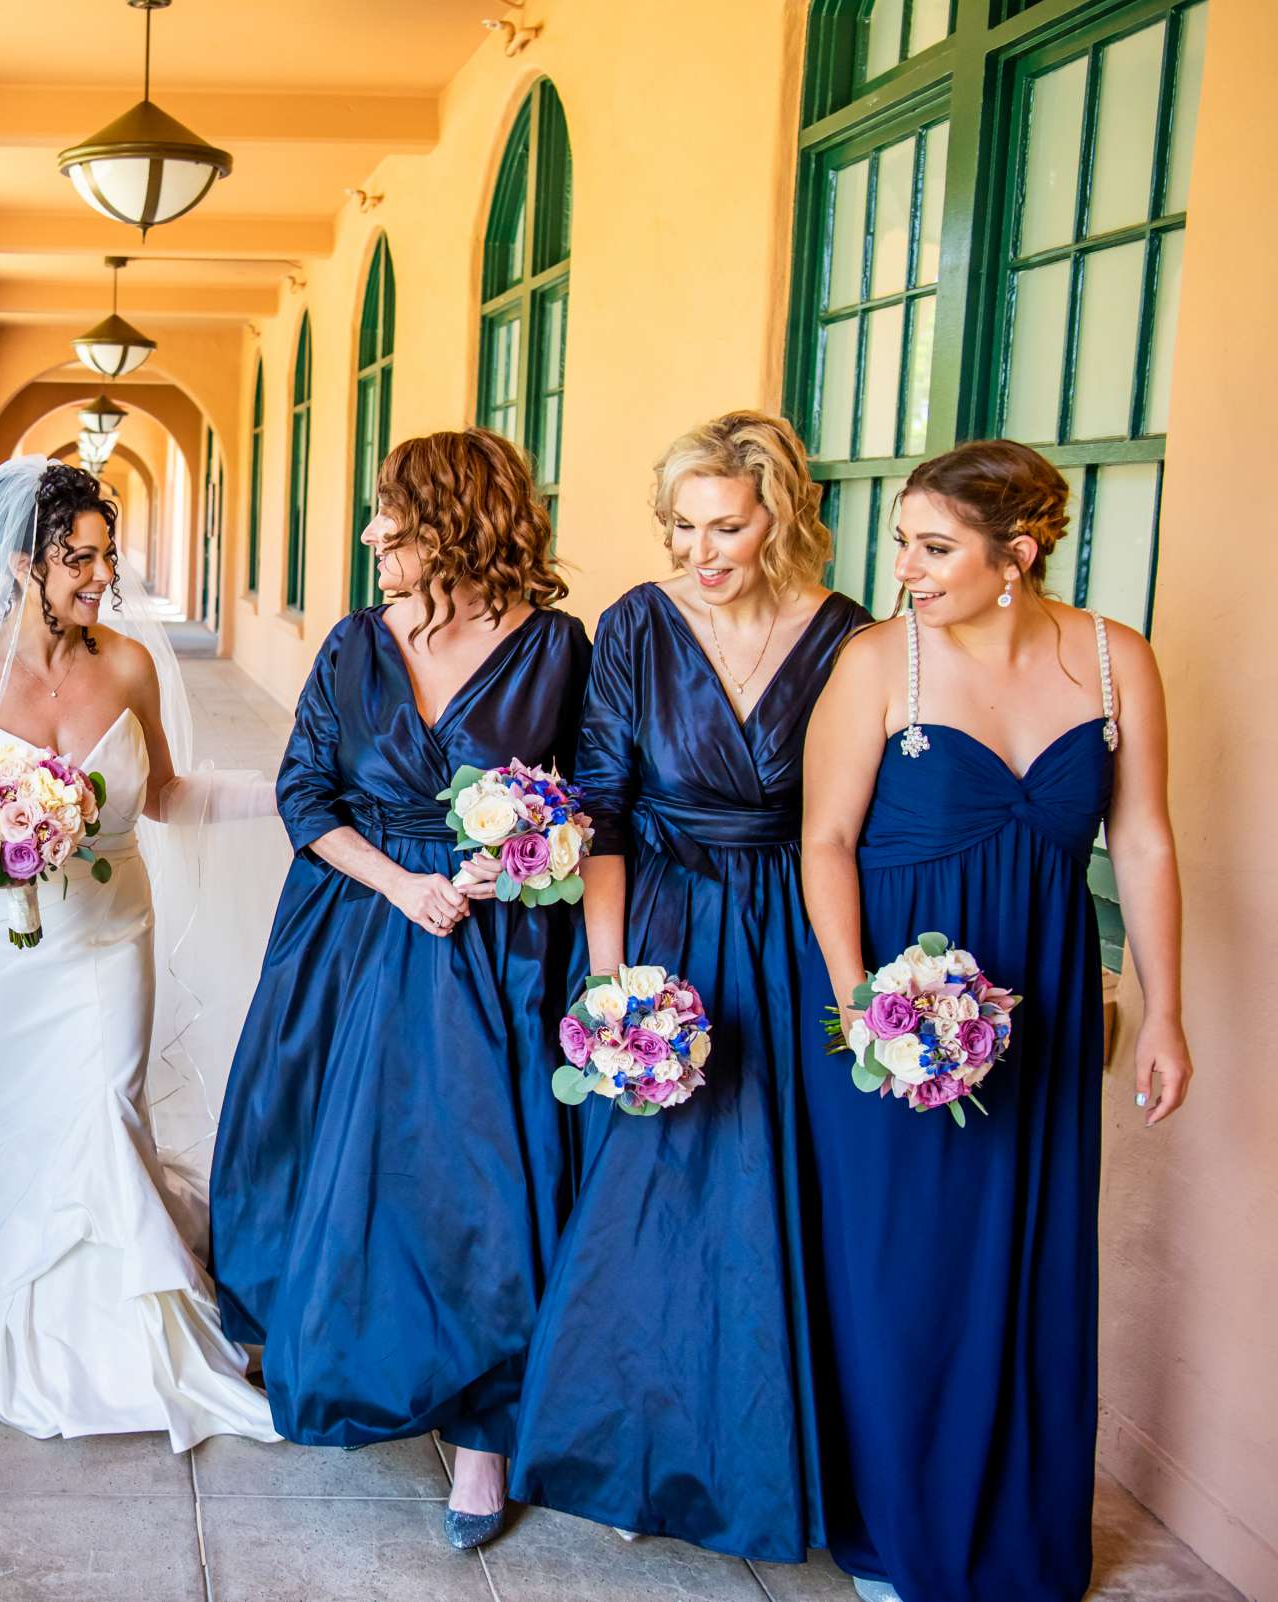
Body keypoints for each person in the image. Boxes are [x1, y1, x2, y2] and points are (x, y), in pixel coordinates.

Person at [799, 439, 1192, 1602]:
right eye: (904, 543)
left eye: (934, 547)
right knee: (903, 1269)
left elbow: (1149, 842)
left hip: (1051, 999)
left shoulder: (1118, 662)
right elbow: (823, 843)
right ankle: (899, 1531)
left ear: (1016, 556)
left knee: (1028, 1263)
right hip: (897, 1004)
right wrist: (860, 997)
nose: (906, 567)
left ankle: (1018, 1539)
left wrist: (1164, 1009)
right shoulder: (880, 663)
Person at [0, 458, 280, 1451]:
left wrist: (281, 791)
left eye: (105, 554)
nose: (96, 573)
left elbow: (163, 794)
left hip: (113, 931)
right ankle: (5, 1306)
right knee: (18, 1119)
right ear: (22, 560)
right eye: (75, 557)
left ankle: (129, 1331)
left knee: (106, 1107)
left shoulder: (126, 664)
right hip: (9, 948)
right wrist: (2, 849)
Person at [212, 427, 587, 1548]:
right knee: (318, 1152)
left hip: (499, 949)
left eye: (393, 516)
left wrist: (523, 853)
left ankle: (485, 1437)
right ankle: (324, 1339)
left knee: (482, 1186)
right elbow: (304, 793)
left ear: (456, 523)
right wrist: (407, 883)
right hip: (352, 930)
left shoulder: (560, 649)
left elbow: (595, 802)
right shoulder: (353, 644)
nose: (371, 534)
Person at [508, 411, 867, 1558]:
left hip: (798, 931)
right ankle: (638, 1455)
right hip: (662, 918)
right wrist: (612, 981)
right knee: (651, 1197)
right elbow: (602, 807)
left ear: (781, 515)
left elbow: (858, 820)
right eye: (681, 526)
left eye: (726, 525)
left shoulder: (849, 635)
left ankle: (767, 1465)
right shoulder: (637, 626)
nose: (701, 549)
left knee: (781, 1197)